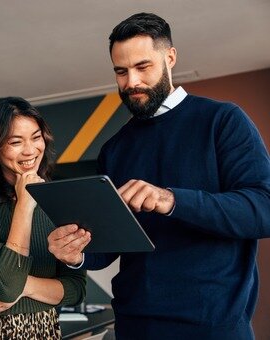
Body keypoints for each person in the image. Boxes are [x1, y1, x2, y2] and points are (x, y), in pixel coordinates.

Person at [47, 12, 270, 340]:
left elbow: (263, 210)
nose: (131, 82)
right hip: (135, 325)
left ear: (170, 57)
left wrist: (172, 199)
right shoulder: (115, 148)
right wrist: (76, 253)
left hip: (213, 328)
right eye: (121, 72)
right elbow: (106, 247)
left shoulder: (223, 120)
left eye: (142, 67)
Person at [0, 97, 86, 339]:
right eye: (15, 142)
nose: (31, 150)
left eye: (36, 137)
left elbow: (76, 289)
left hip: (44, 328)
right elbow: (5, 287)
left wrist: (28, 286)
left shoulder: (60, 199)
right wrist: (25, 204)